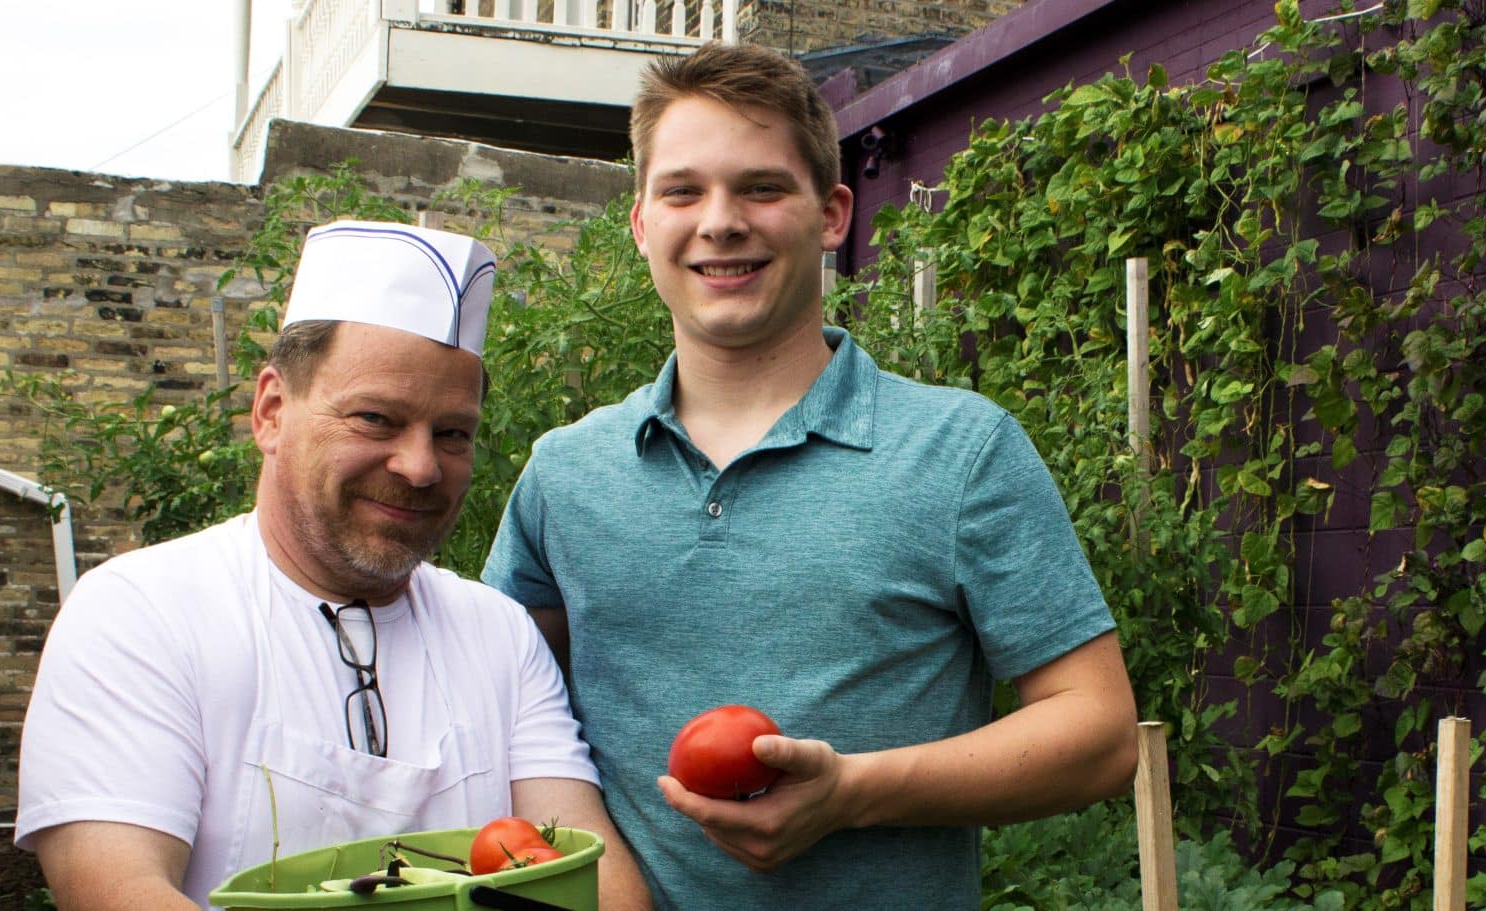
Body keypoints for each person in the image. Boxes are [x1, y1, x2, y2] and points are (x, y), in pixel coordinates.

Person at [482, 42, 1139, 911]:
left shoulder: (959, 449)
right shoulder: (566, 474)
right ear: (641, 221)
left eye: (761, 187)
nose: (720, 221)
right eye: (683, 190)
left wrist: (856, 792)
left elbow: (1097, 732)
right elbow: (505, 714)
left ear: (832, 214)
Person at [15, 220, 650, 911]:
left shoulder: (500, 634)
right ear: (271, 411)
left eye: (452, 433)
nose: (419, 466)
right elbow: (118, 890)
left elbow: (598, 877)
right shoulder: (138, 613)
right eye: (375, 418)